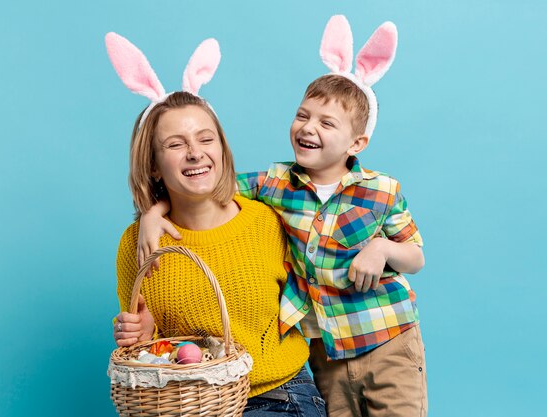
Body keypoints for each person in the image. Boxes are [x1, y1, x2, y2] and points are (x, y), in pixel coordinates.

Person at [137, 17, 427, 417]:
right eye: (303, 116)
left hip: (387, 337)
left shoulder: (382, 190)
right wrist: (155, 212)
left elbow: (416, 256)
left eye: (327, 123)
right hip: (326, 349)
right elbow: (205, 185)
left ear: (357, 142)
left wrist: (381, 248)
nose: (308, 128)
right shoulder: (275, 184)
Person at [106, 30, 326, 417]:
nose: (194, 153)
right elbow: (151, 353)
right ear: (154, 165)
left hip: (276, 397)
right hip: (190, 404)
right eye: (175, 144)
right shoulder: (136, 244)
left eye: (205, 139)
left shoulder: (269, 220)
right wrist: (142, 334)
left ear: (221, 149)